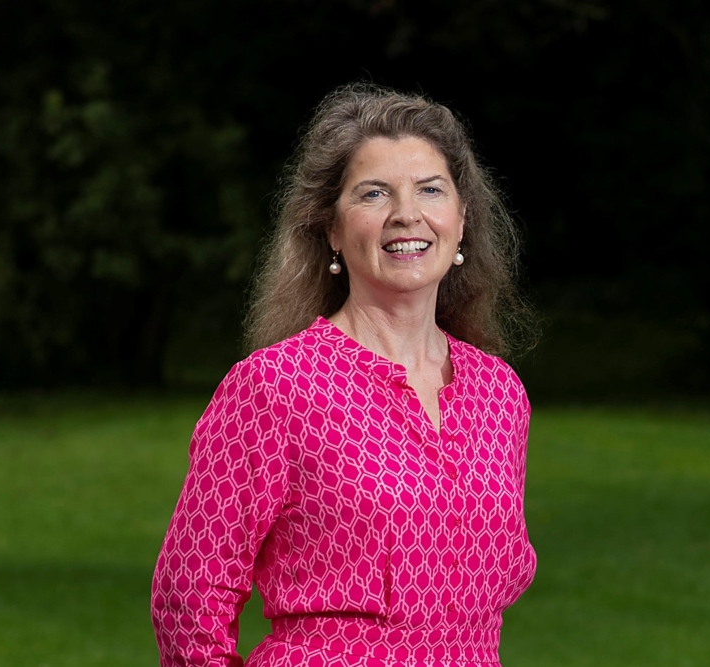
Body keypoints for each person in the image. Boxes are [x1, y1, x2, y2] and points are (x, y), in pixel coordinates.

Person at [151, 83, 538, 667]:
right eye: (374, 193)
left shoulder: (498, 394)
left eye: (430, 189)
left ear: (461, 220)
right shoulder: (277, 388)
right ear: (331, 229)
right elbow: (190, 595)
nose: (406, 214)